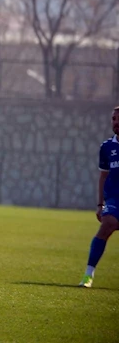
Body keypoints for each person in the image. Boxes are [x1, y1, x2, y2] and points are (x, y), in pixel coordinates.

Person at [78, 106, 119, 288]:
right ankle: (88, 275)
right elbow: (103, 176)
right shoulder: (107, 147)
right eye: (114, 119)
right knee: (107, 224)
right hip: (114, 199)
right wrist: (100, 204)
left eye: (118, 119)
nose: (116, 123)